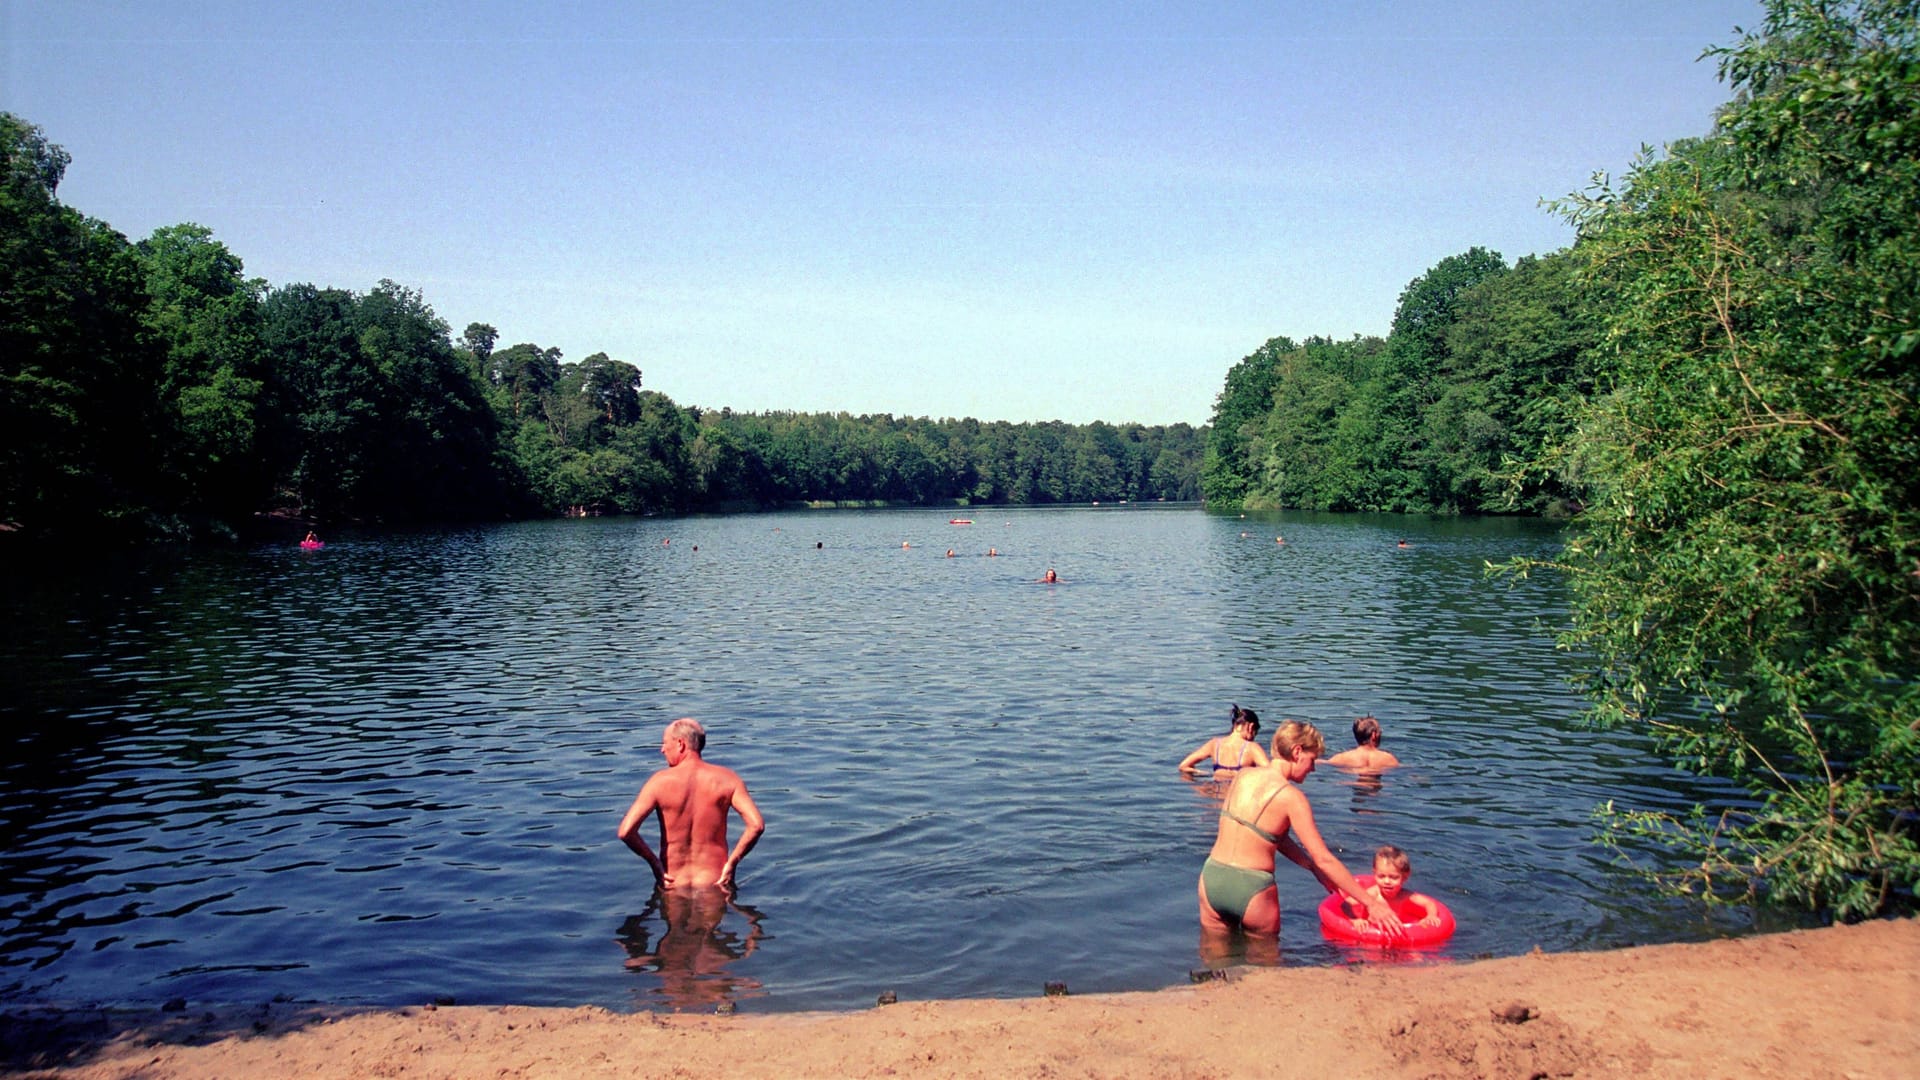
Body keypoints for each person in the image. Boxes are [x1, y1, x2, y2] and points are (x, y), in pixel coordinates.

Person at [1197, 720, 1404, 940]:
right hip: (1252, 887)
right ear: (1297, 752)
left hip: (1212, 878)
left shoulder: (1243, 776)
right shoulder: (1292, 797)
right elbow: (1324, 858)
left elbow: (1270, 836)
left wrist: (1311, 868)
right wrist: (1372, 904)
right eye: (1312, 759)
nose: (1313, 768)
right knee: (1264, 963)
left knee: (1213, 961)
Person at [618, 718, 765, 893]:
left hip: (672, 884)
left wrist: (654, 863)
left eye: (665, 743)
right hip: (716, 884)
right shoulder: (728, 779)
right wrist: (732, 863)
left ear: (680, 744)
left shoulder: (658, 782)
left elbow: (625, 832)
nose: (662, 749)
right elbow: (756, 825)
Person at [1338, 845, 1445, 931]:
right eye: (1381, 876)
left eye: (1393, 877)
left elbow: (1429, 903)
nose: (1387, 881)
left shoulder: (1404, 895)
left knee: (1417, 956)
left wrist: (1431, 916)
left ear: (1405, 877)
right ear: (1374, 873)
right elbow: (1346, 904)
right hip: (1371, 932)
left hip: (1394, 934)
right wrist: (1355, 920)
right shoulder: (1372, 894)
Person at [1179, 705, 1271, 777]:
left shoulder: (1214, 744)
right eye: (1255, 733)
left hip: (1215, 796)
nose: (1253, 738)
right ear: (1251, 727)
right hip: (1238, 796)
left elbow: (1183, 766)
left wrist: (1206, 774)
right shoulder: (1251, 748)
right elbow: (1272, 773)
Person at [1325, 715, 1400, 771]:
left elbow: (1319, 762)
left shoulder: (1342, 758)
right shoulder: (1389, 759)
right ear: (1374, 735)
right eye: (1380, 731)